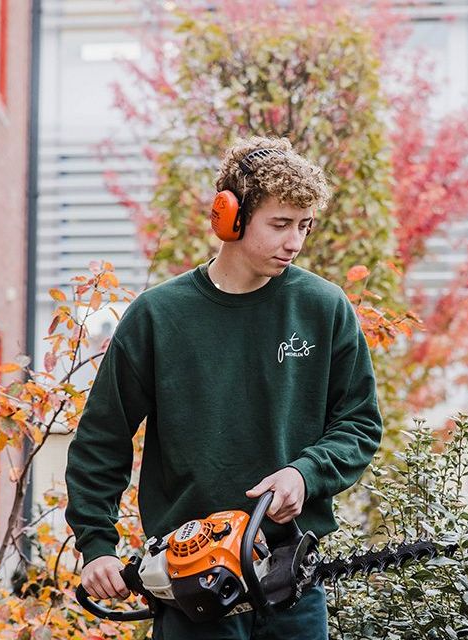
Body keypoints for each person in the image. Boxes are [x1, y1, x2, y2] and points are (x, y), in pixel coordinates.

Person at [65, 135, 384, 639]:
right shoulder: (159, 316)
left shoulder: (323, 308)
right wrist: (97, 544)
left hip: (291, 581)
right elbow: (101, 440)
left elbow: (359, 423)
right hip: (192, 586)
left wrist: (304, 475)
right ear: (228, 216)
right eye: (280, 224)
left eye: (304, 226)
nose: (295, 242)